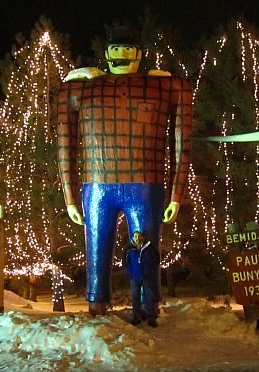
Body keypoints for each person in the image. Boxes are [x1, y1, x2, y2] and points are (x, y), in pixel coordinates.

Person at [57, 25, 193, 316]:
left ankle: (147, 306)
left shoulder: (166, 88)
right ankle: (99, 304)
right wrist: (69, 196)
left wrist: (176, 195)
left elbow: (182, 143)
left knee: (146, 255)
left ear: (139, 54)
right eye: (116, 50)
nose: (121, 56)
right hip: (103, 183)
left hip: (141, 183)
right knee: (98, 249)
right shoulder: (77, 88)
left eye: (127, 50)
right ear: (106, 53)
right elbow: (64, 144)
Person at [123, 231, 160, 327]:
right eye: (135, 236)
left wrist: (151, 270)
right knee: (135, 298)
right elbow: (125, 261)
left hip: (147, 276)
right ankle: (136, 317)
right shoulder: (129, 249)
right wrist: (129, 272)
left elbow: (156, 259)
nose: (137, 238)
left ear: (143, 237)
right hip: (134, 277)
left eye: (139, 236)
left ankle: (151, 318)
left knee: (149, 297)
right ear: (133, 238)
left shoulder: (149, 247)